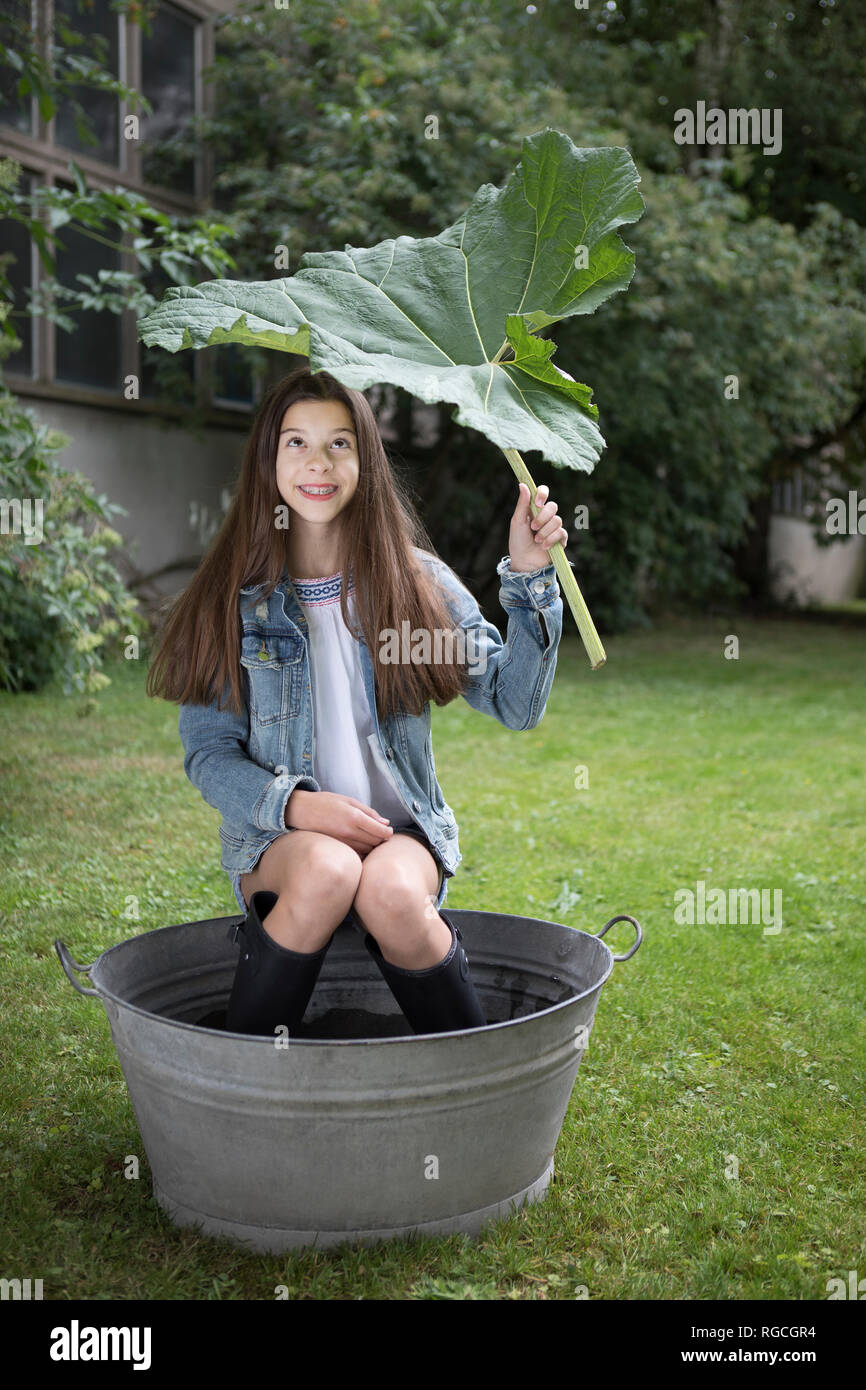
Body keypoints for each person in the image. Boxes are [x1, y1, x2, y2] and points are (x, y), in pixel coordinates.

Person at [146, 366, 566, 1038]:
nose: (319, 463)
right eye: (297, 443)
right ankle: (244, 1076)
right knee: (328, 865)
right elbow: (210, 757)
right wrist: (299, 806)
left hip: (399, 839)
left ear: (366, 461)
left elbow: (516, 704)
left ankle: (476, 1076)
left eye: (340, 444)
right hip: (283, 842)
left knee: (392, 891)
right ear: (268, 460)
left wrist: (531, 577)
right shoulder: (236, 602)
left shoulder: (413, 584)